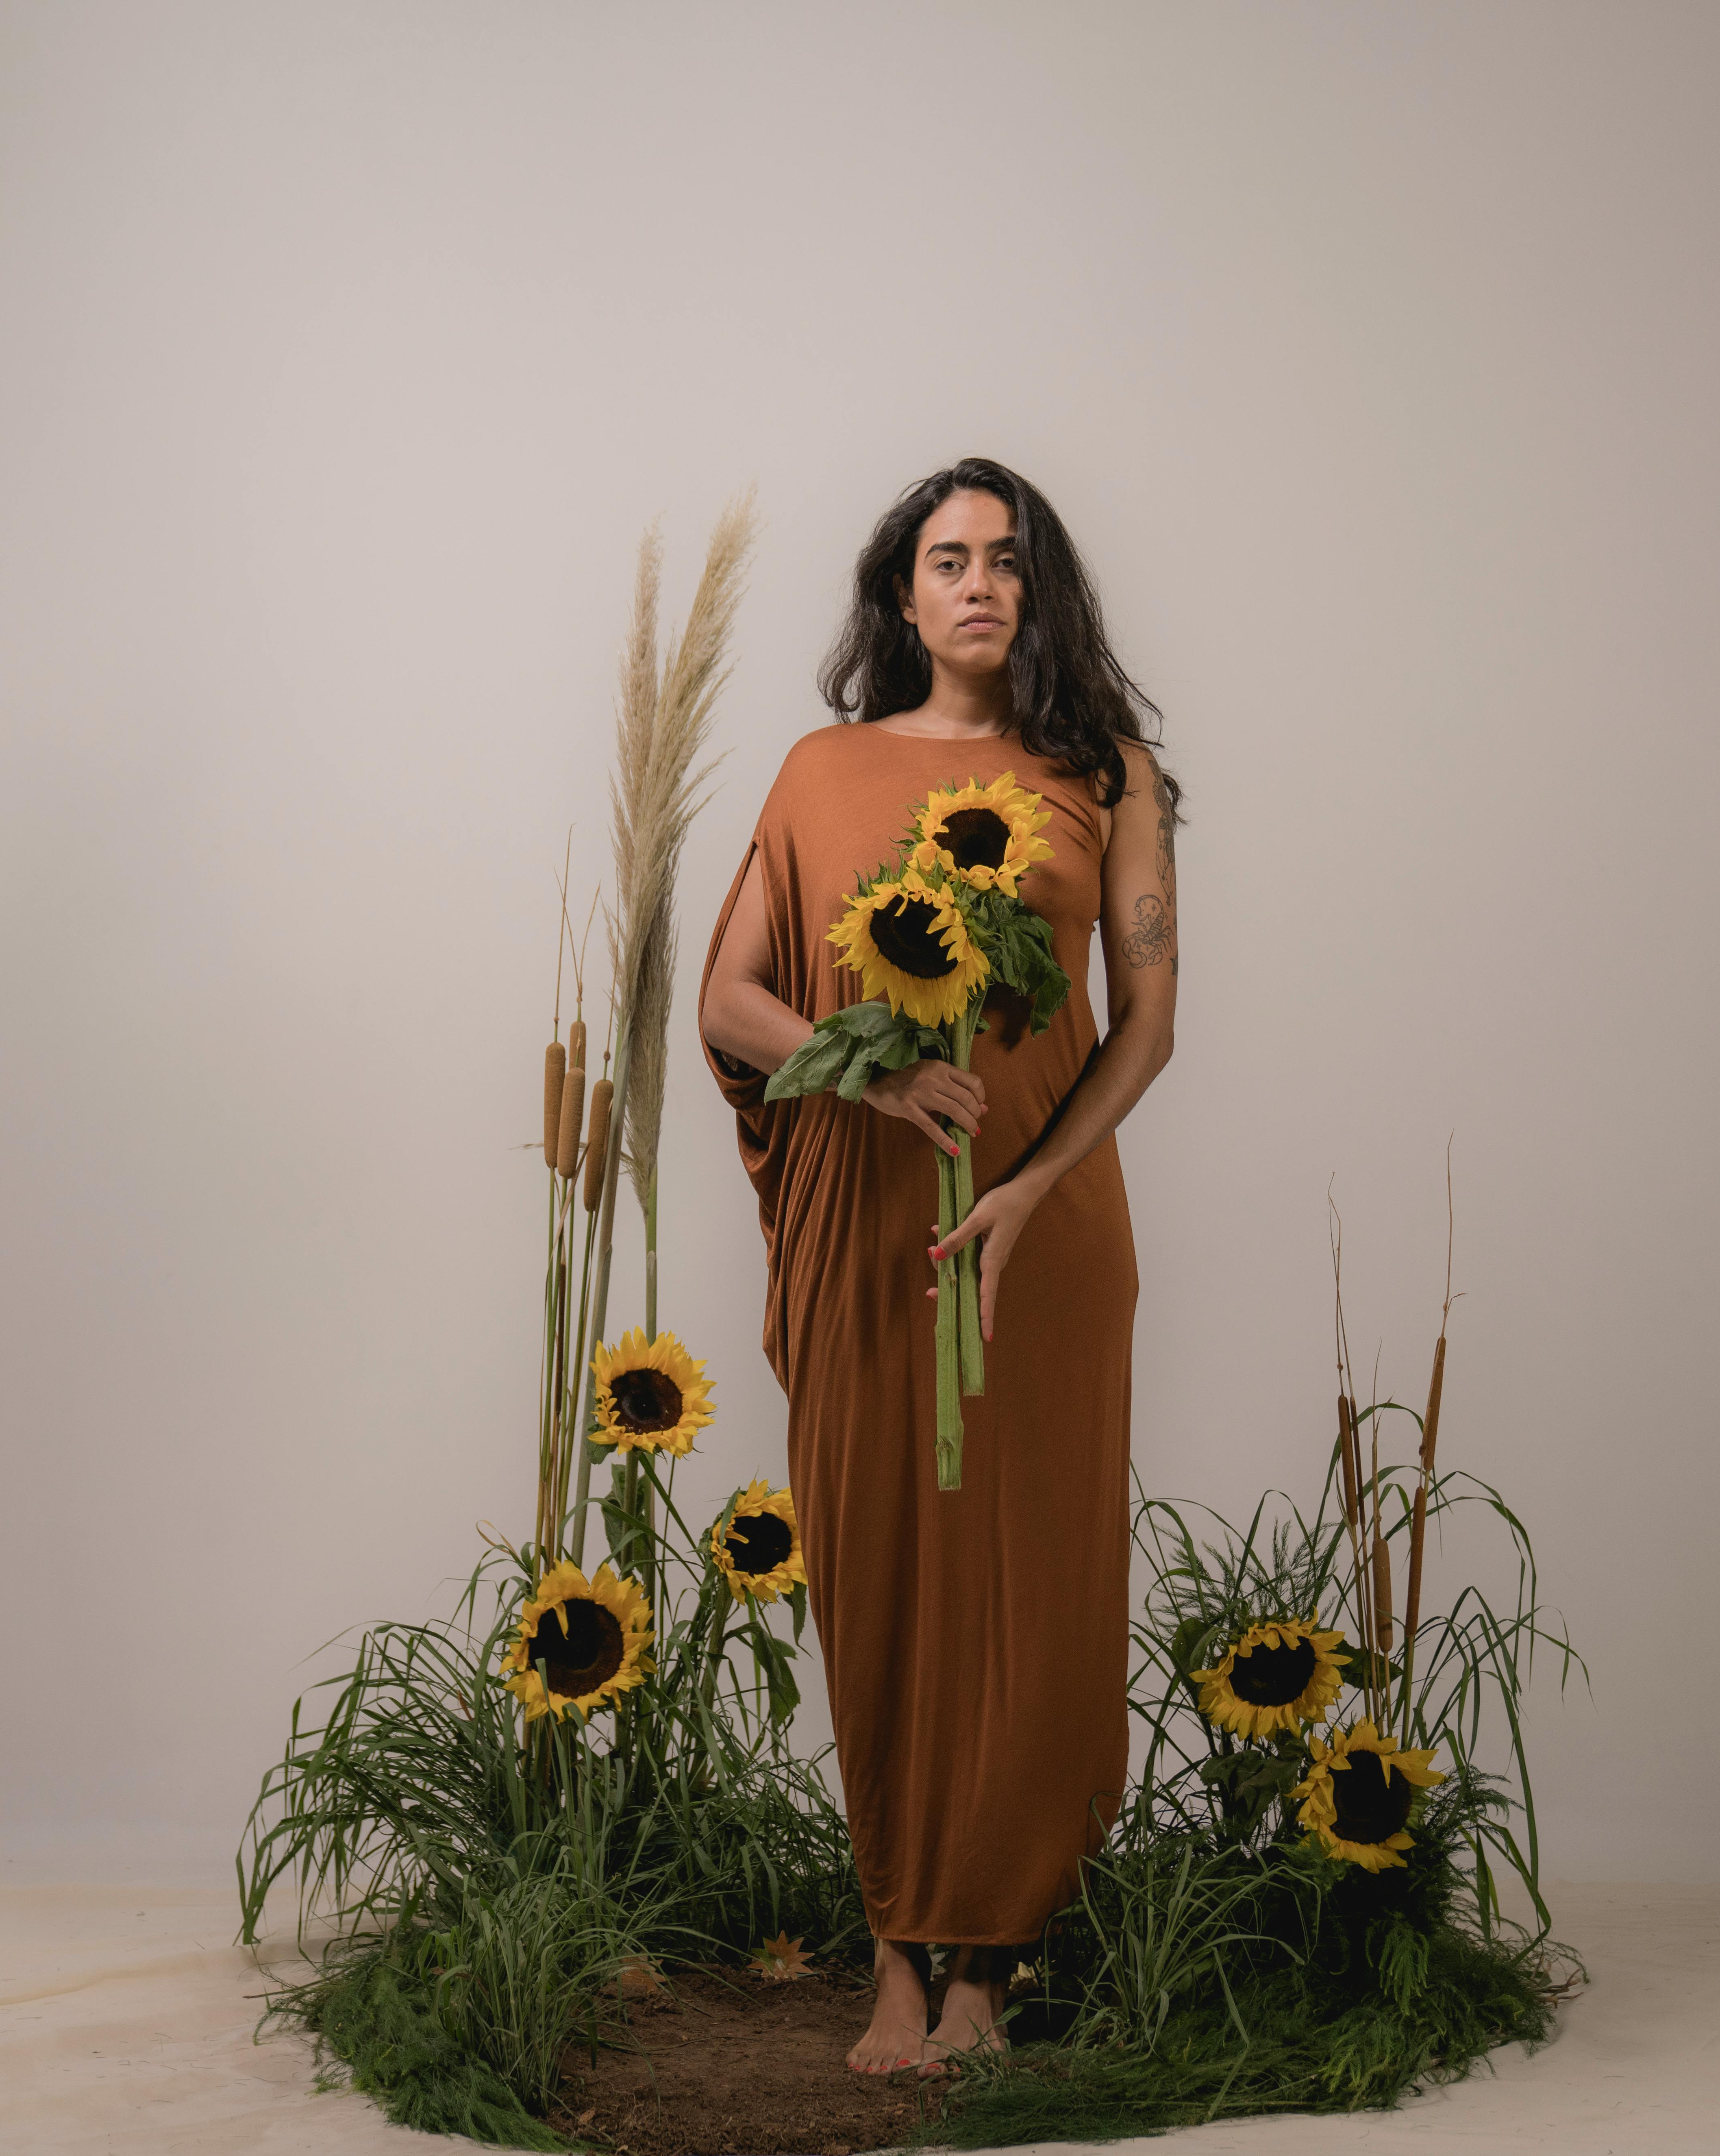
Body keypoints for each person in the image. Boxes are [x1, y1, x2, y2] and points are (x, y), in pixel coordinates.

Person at [699, 457, 1180, 2072]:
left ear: (1042, 592)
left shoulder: (1103, 772)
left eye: (1008, 559)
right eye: (950, 559)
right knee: (885, 1574)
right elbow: (730, 1001)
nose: (980, 583)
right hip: (869, 1230)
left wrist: (1034, 1189)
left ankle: (993, 1961)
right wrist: (880, 1074)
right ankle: (897, 1948)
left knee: (1035, 1581)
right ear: (901, 599)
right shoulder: (821, 770)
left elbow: (1147, 1024)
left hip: (1041, 1238)